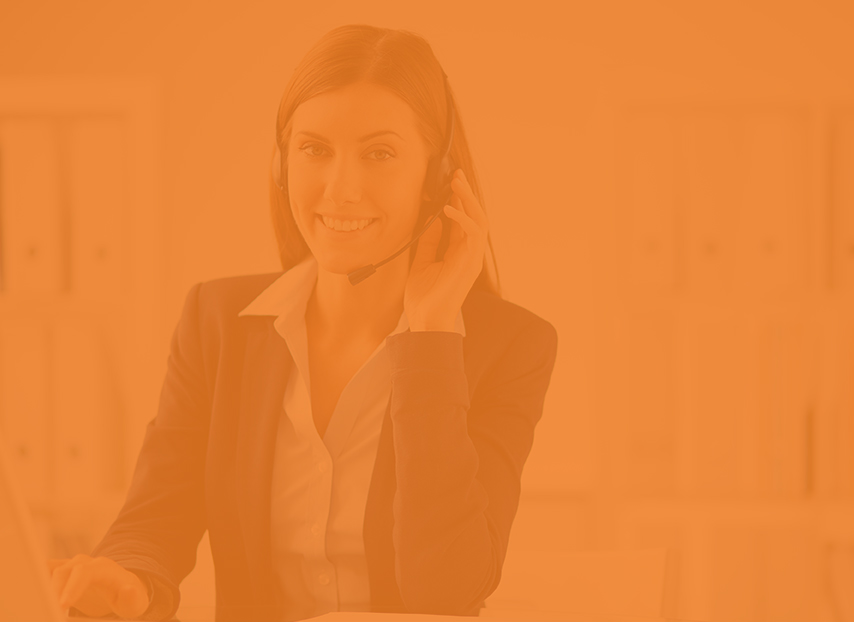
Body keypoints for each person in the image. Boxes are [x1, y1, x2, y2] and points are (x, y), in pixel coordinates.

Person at [47, 24, 558, 622]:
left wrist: (433, 338)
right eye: (314, 149)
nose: (340, 189)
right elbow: (153, 519)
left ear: (438, 177)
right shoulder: (217, 322)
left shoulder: (510, 346)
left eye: (380, 153)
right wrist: (127, 579)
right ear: (281, 163)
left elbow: (446, 589)